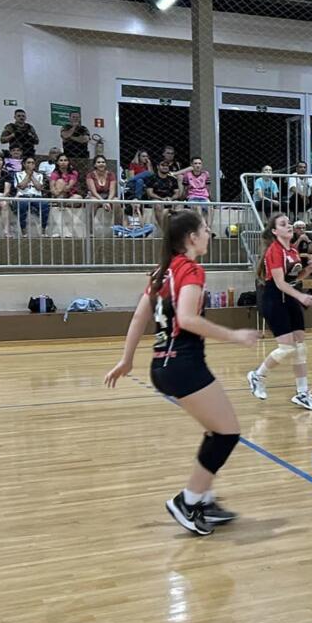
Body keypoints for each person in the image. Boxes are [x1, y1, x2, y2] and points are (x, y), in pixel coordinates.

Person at [104, 208, 259, 535]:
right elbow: (187, 319)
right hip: (183, 363)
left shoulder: (162, 272)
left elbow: (139, 318)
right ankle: (187, 501)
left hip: (162, 365)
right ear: (191, 237)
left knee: (216, 431)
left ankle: (204, 499)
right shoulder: (190, 270)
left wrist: (126, 360)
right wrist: (234, 336)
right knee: (227, 433)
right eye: (205, 229)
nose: (209, 234)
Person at [246, 213, 312, 410]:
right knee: (287, 347)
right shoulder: (274, 250)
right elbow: (279, 283)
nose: (289, 226)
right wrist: (301, 297)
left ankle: (302, 393)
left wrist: (308, 270)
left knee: (300, 346)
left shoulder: (293, 251)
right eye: (283, 224)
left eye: (289, 223)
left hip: (288, 298)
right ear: (274, 231)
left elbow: (292, 280)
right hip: (274, 299)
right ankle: (257, 376)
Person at [48, 153, 82, 237]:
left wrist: (59, 189)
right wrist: (58, 191)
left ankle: (62, 203)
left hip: (70, 196)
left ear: (68, 162)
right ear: (57, 162)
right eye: (61, 160)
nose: (63, 162)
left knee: (78, 197)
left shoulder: (73, 173)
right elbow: (52, 189)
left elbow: (68, 187)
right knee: (60, 181)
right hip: (58, 195)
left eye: (65, 160)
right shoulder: (54, 174)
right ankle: (61, 203)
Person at [15, 157, 49, 236]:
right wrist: (28, 175)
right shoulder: (18, 174)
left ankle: (43, 229)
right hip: (23, 196)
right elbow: (22, 186)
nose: (31, 164)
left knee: (45, 205)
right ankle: (23, 229)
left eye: (33, 163)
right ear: (24, 164)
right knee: (22, 205)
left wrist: (32, 176)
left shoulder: (39, 175)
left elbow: (39, 187)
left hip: (36, 196)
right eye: (28, 162)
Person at [85, 154, 118, 232]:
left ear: (105, 164)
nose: (101, 164)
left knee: (117, 202)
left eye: (103, 162)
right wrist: (103, 202)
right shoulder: (90, 175)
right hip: (95, 196)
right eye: (98, 162)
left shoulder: (111, 175)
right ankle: (90, 231)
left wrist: (108, 201)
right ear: (95, 165)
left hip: (108, 196)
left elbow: (112, 191)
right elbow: (93, 192)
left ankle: (118, 230)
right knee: (94, 202)